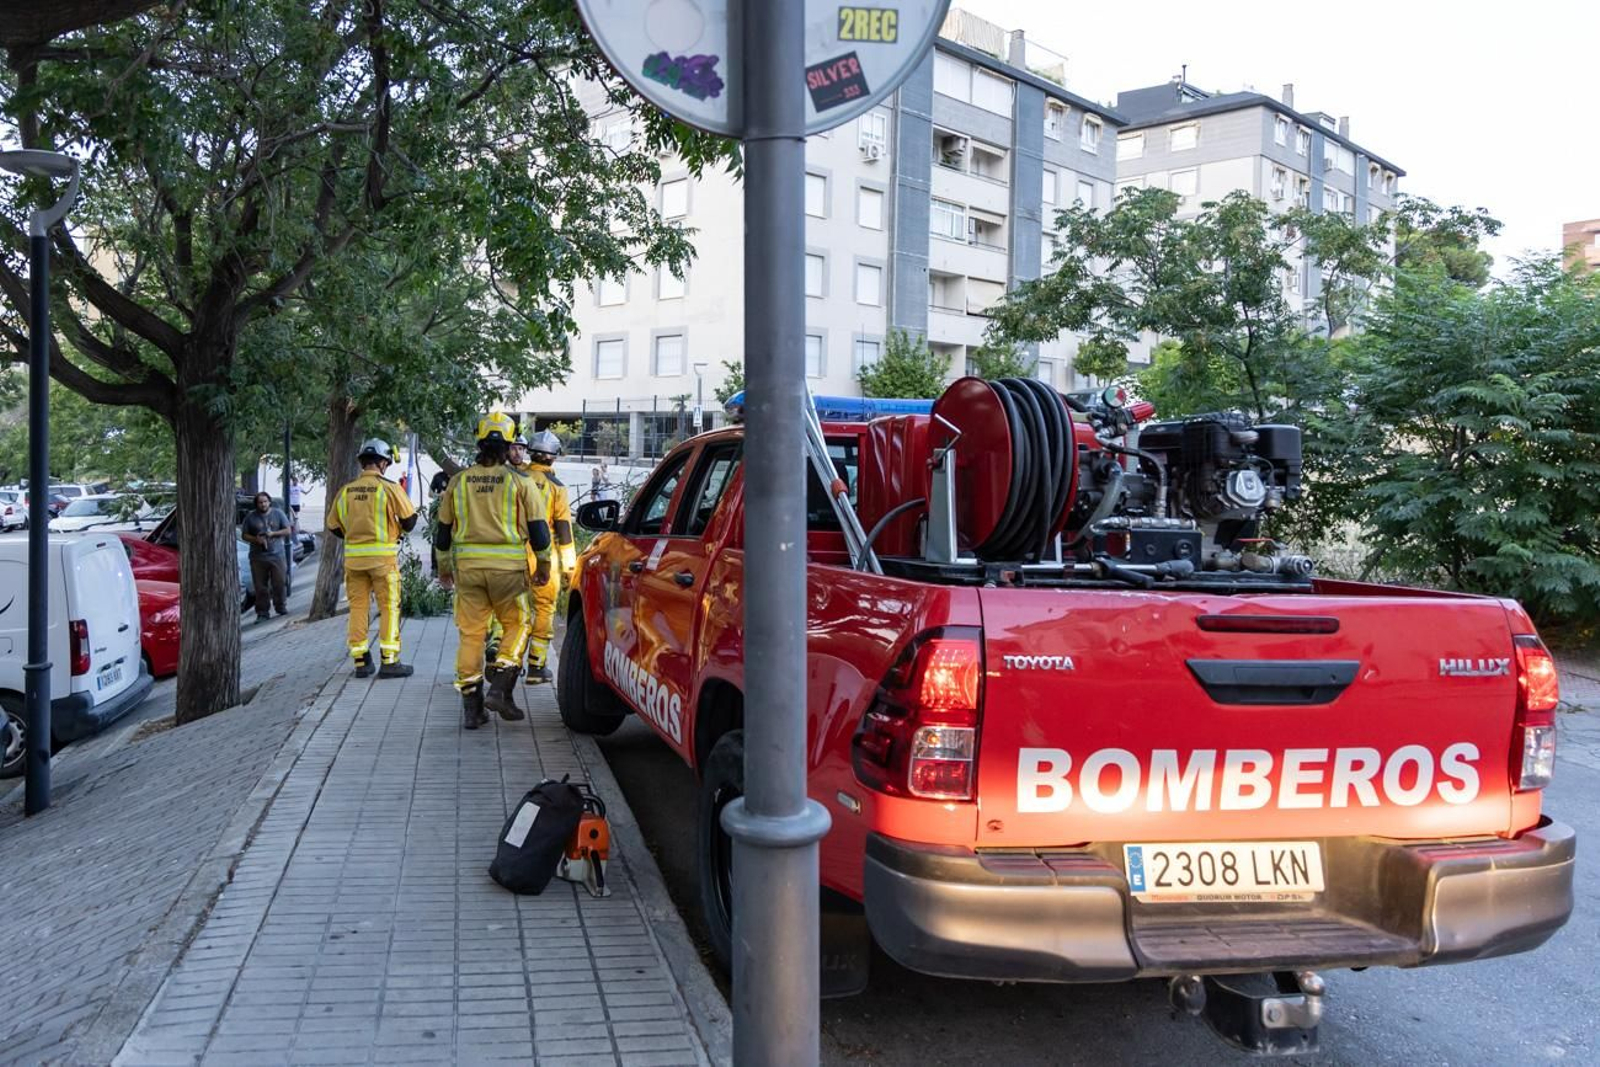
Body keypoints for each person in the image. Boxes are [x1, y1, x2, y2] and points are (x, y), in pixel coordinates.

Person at [435, 412, 551, 729]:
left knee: (471, 635)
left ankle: (472, 710)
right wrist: (544, 564)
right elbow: (540, 532)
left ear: (480, 443)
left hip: (468, 573)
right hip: (509, 574)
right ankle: (501, 686)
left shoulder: (458, 482)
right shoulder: (521, 482)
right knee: (520, 623)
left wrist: (444, 568)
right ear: (510, 445)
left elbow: (442, 533)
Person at [325, 440, 418, 678]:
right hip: (383, 563)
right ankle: (390, 662)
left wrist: (354, 535)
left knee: (358, 608)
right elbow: (409, 520)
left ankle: (360, 662)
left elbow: (333, 525)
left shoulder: (347, 490)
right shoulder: (389, 487)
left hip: (354, 562)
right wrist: (395, 530)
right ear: (383, 463)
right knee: (389, 608)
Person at [523, 430, 576, 684]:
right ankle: (536, 666)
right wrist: (569, 568)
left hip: (513, 553)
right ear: (553, 458)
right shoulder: (556, 487)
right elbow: (564, 529)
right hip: (544, 555)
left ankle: (501, 659)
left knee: (511, 607)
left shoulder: (516, 478)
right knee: (544, 607)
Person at [240, 492, 291, 622]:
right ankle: (262, 612)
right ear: (256, 504)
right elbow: (244, 535)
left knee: (279, 582)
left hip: (277, 554)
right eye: (260, 502)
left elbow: (288, 530)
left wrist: (273, 533)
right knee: (260, 586)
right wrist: (256, 539)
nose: (263, 504)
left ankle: (280, 606)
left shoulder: (278, 513)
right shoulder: (251, 517)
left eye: (265, 501)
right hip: (258, 557)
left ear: (269, 502)